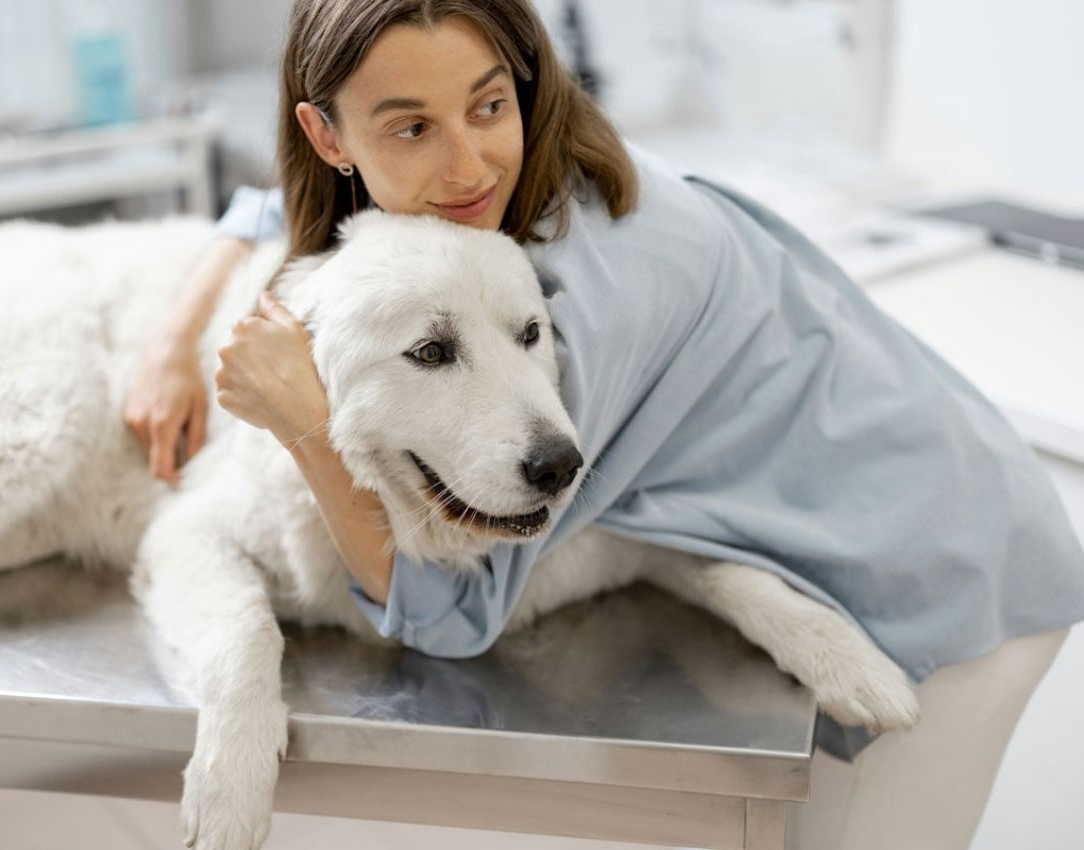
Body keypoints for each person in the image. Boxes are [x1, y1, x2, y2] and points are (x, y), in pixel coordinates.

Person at [125, 1, 1084, 847]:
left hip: (940, 567)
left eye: (488, 105)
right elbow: (277, 208)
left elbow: (450, 613)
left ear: (525, 87)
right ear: (332, 137)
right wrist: (177, 330)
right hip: (820, 549)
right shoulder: (485, 204)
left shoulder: (576, 292)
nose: (464, 163)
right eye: (411, 125)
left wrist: (301, 423)